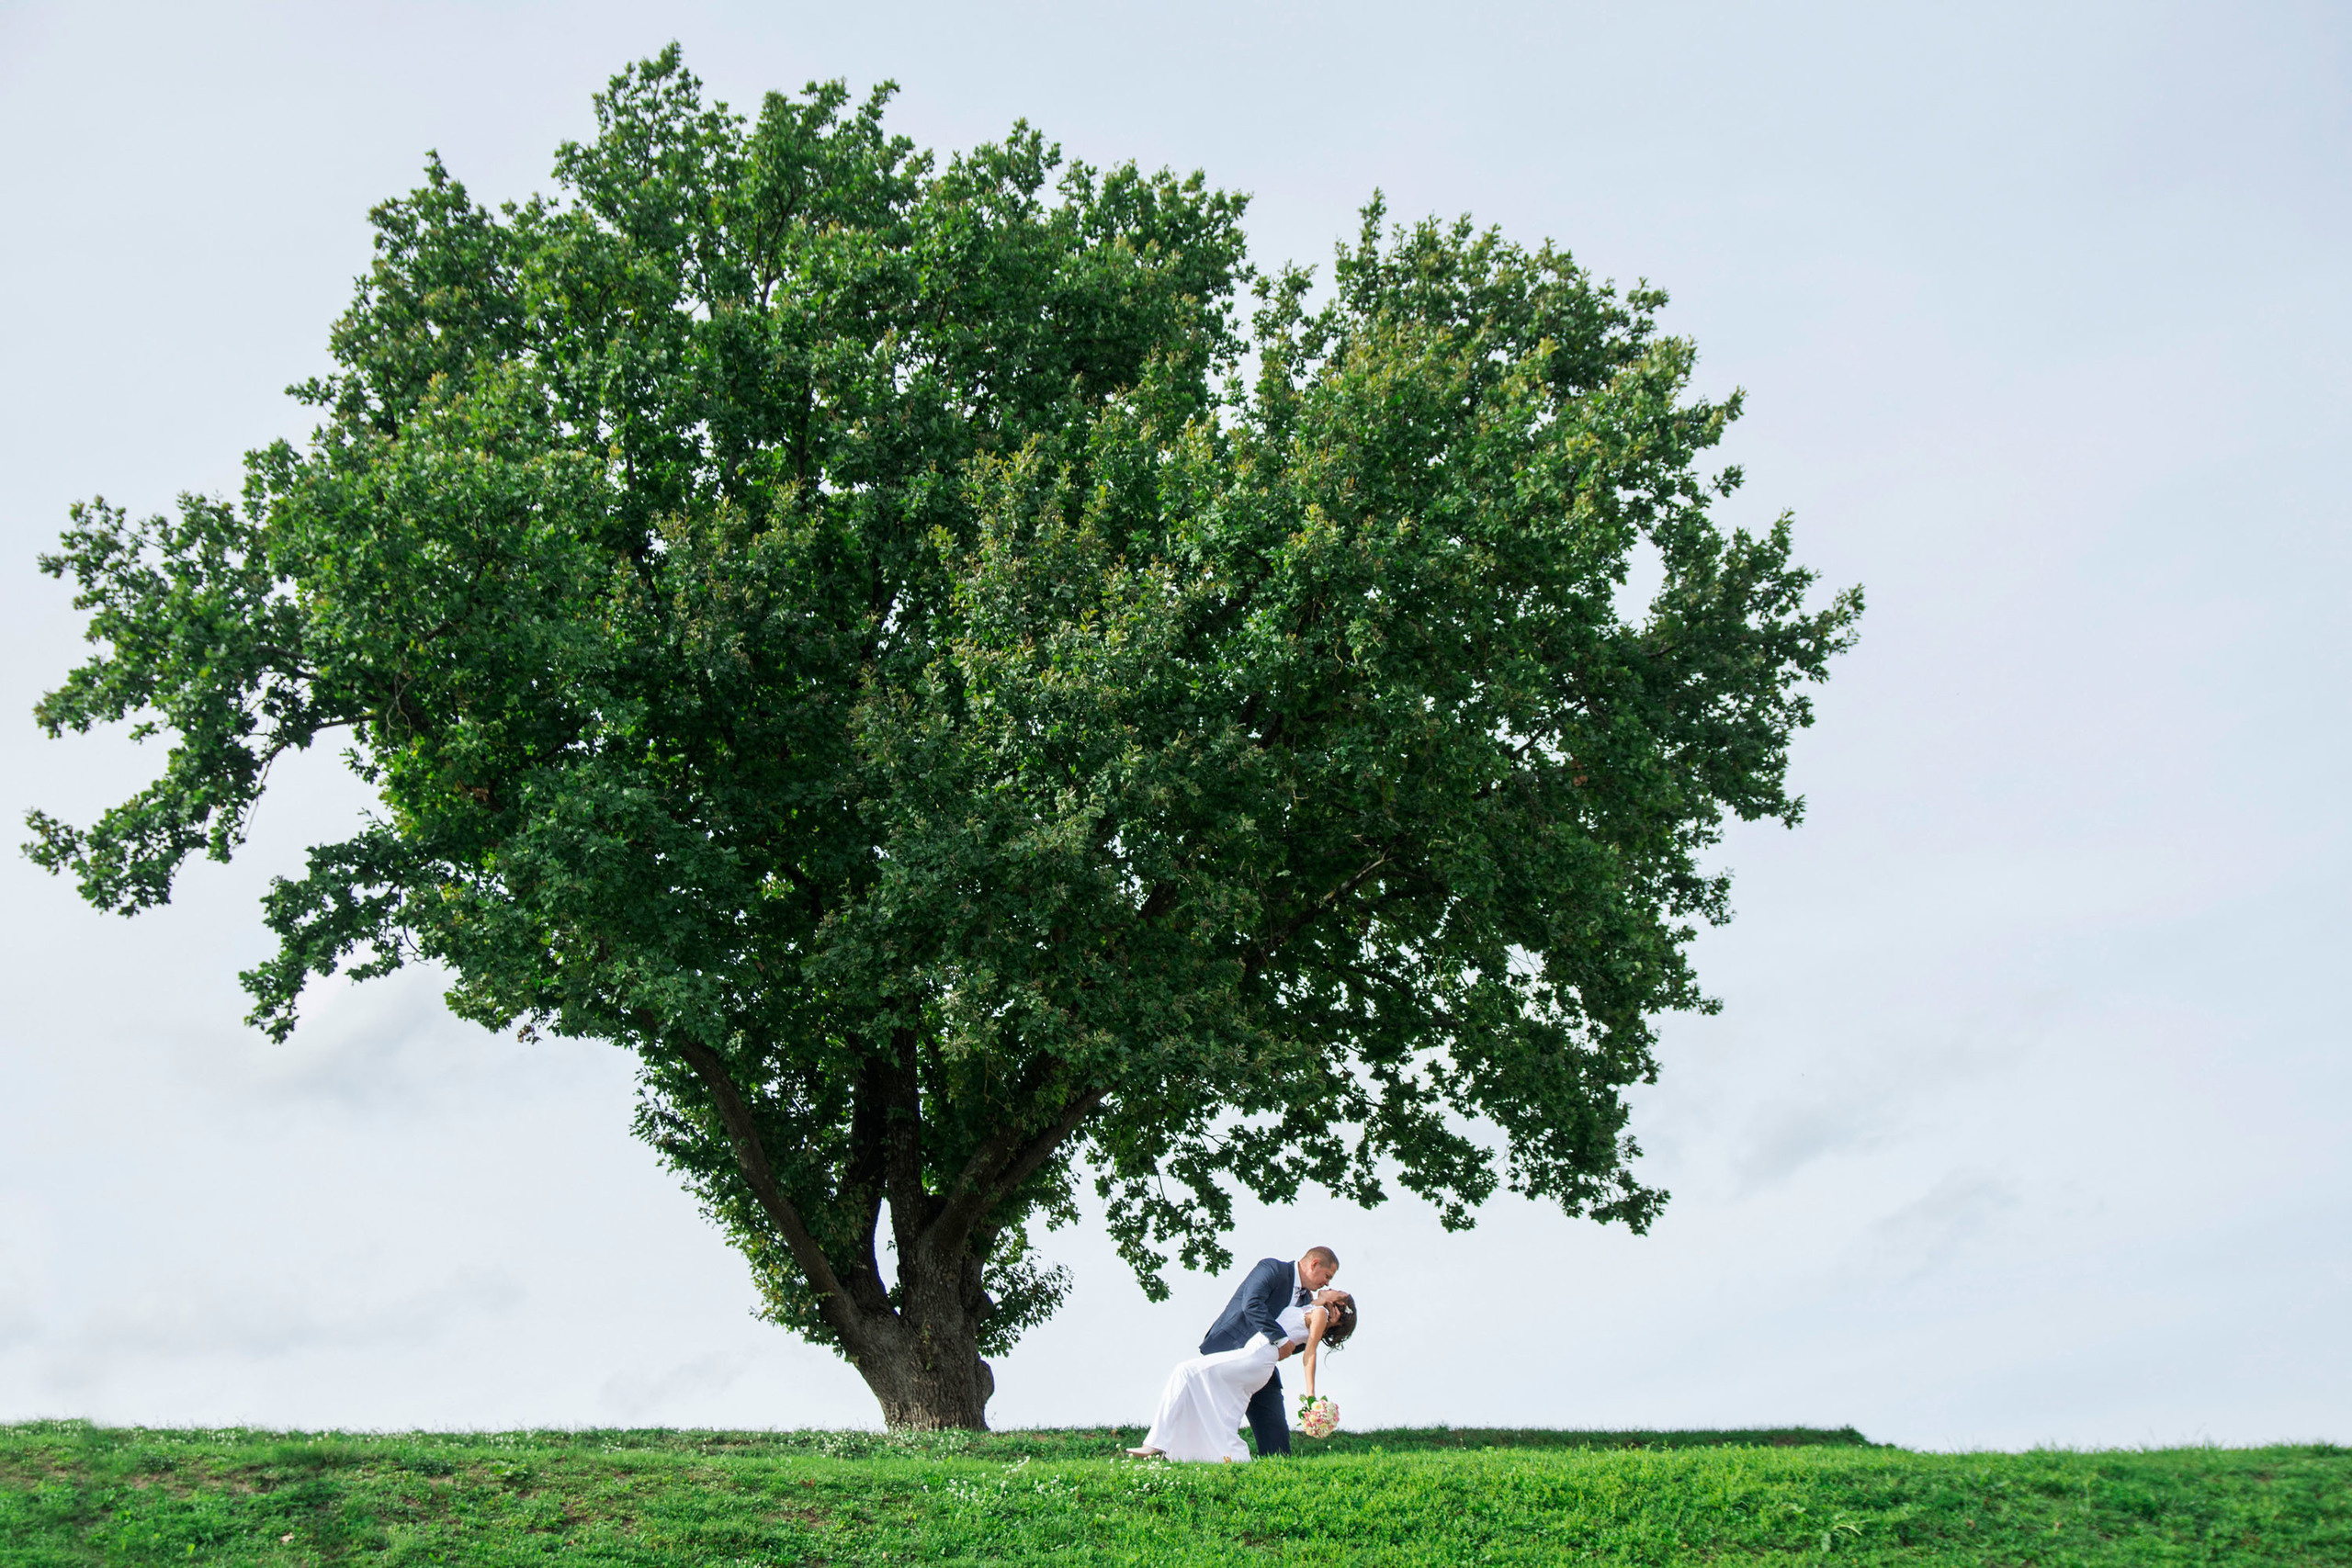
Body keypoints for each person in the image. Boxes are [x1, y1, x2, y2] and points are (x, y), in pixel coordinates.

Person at [1126, 1247, 1358, 1462]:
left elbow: (1295, 1346)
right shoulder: (1273, 1269)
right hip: (1234, 1348)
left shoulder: (1310, 1303)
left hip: (1258, 1361)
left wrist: (1324, 1326)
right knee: (1220, 1412)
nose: (1327, 1283)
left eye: (1332, 1283)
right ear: (1314, 1264)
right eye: (1327, 1276)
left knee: (1273, 1429)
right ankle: (1227, 1458)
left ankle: (1278, 1476)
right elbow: (1252, 1305)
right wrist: (1282, 1338)